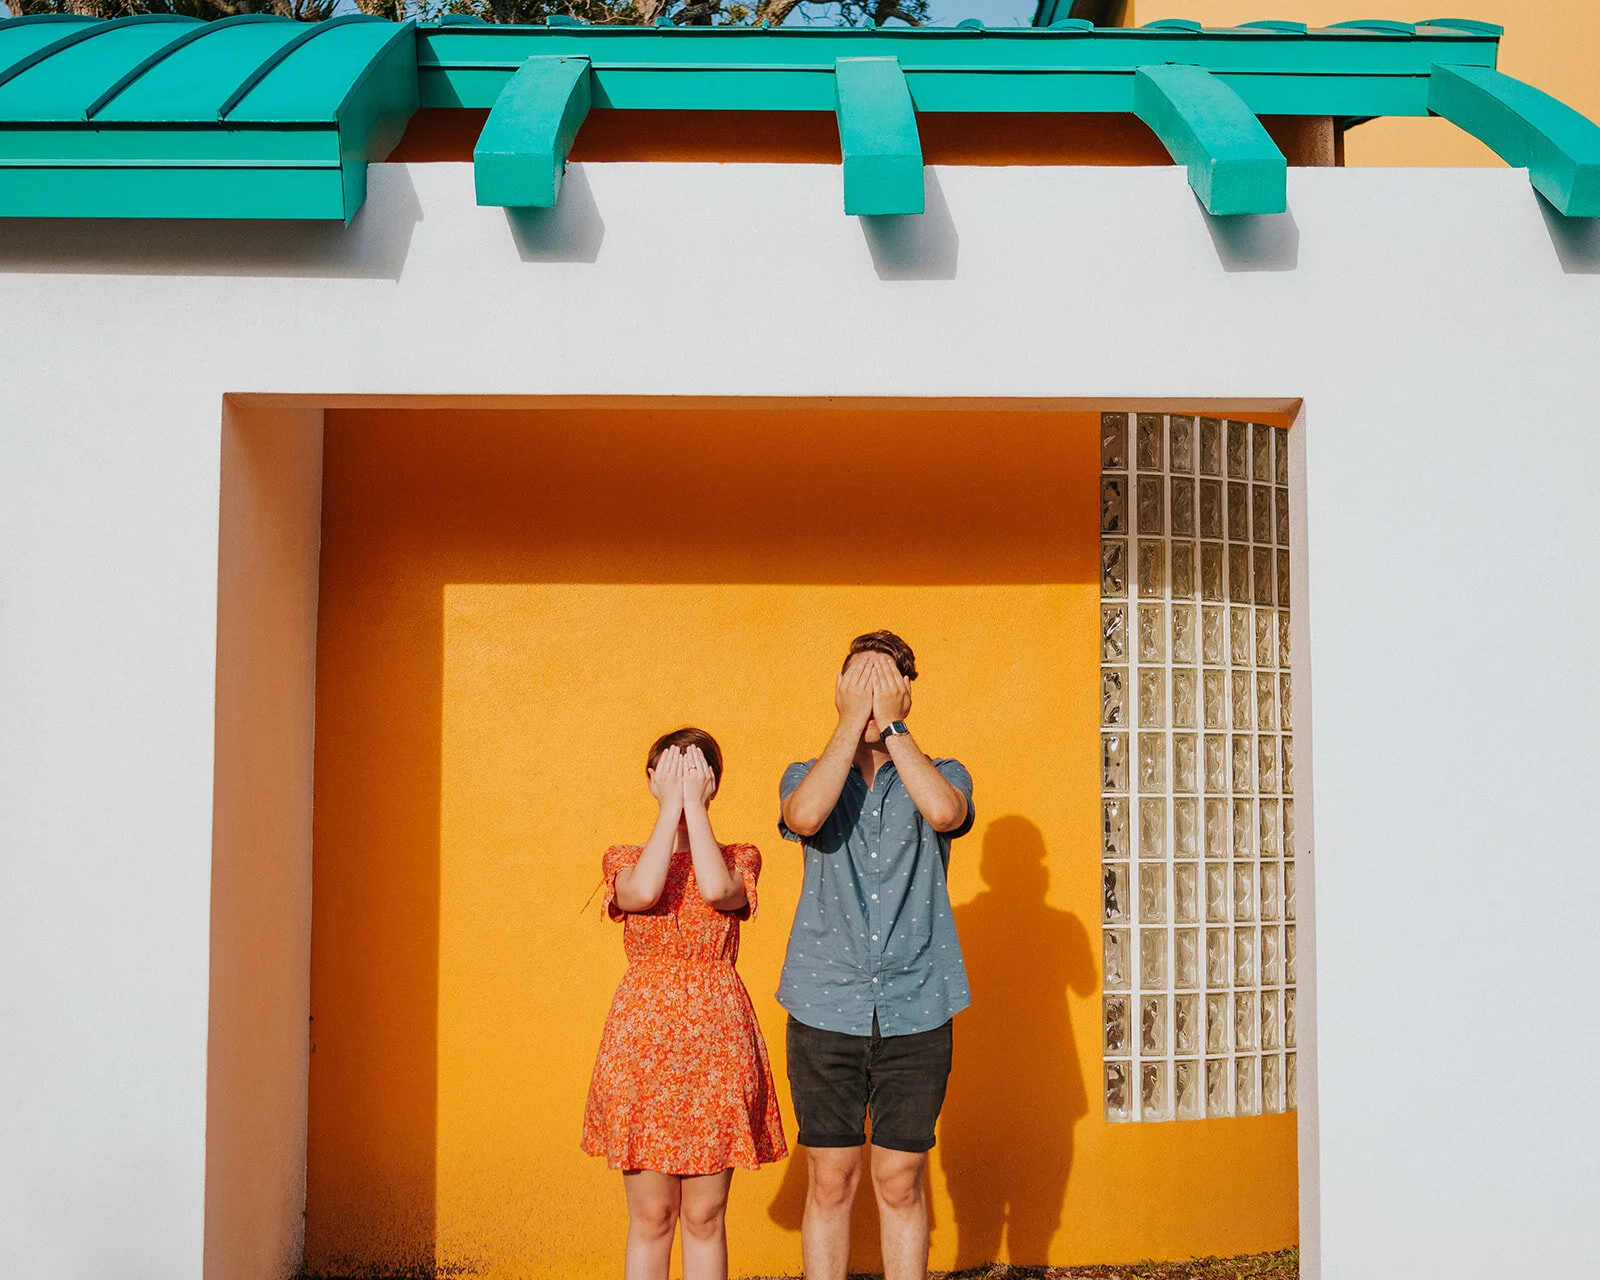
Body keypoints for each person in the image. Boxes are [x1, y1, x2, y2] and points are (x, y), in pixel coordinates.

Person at [777, 631, 975, 1280]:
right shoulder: (807, 775)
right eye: (857, 684)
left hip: (917, 1004)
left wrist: (891, 726)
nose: (868, 697)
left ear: (906, 692)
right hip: (824, 1002)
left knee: (898, 1177)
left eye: (881, 683)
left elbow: (946, 814)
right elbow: (804, 817)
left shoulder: (942, 772)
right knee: (830, 1178)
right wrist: (846, 721)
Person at [583, 728, 788, 1280]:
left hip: (717, 1038)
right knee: (652, 1216)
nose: (676, 784)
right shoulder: (622, 858)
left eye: (690, 774)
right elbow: (643, 893)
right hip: (643, 1043)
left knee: (704, 1215)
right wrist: (669, 806)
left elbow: (721, 895)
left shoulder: (740, 856)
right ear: (649, 781)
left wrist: (694, 808)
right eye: (664, 773)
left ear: (711, 785)